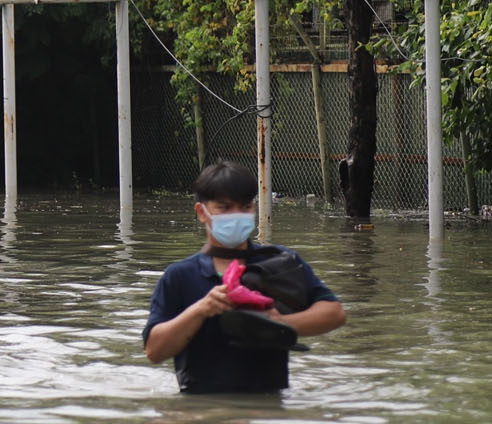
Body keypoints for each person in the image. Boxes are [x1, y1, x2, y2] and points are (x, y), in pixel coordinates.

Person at [143, 160, 346, 394]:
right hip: (201, 412)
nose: (236, 215)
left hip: (268, 408)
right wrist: (200, 310)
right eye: (224, 208)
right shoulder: (180, 275)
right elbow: (154, 351)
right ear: (202, 212)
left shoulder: (281, 263)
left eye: (245, 207)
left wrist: (279, 322)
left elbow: (334, 312)